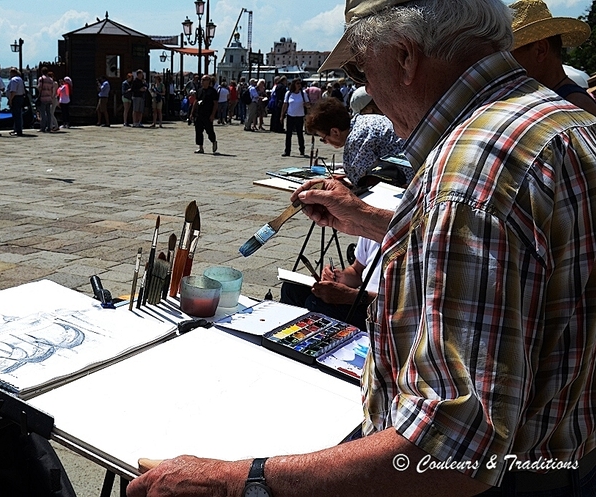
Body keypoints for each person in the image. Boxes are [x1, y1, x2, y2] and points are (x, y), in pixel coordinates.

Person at [127, 1, 596, 496]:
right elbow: (526, 256)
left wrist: (238, 481)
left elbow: (450, 453)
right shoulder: (560, 120)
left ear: (405, 57)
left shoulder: (467, 174)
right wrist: (369, 220)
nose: (364, 88)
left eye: (359, 66)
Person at [509, 0, 596, 115]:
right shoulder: (565, 101)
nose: (507, 63)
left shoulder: (575, 106)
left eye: (511, 55)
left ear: (540, 50)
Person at [280, 78, 309, 157]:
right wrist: (282, 115)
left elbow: (308, 104)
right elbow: (285, 104)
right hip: (290, 115)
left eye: (300, 83)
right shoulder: (288, 93)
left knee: (300, 134)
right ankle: (287, 151)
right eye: (297, 83)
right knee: (288, 134)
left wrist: (306, 105)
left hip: (300, 116)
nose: (299, 85)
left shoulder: (303, 93)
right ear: (294, 84)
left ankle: (302, 150)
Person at [190, 75, 218, 154]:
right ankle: (200, 147)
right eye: (202, 80)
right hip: (199, 113)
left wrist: (213, 114)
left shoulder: (213, 91)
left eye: (204, 80)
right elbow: (196, 101)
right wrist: (192, 113)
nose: (202, 81)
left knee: (209, 130)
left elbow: (215, 103)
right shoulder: (199, 90)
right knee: (198, 130)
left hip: (208, 114)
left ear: (208, 81)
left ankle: (214, 141)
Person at [6, 68, 25, 136]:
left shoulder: (14, 80)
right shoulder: (20, 79)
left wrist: (10, 100)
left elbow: (13, 91)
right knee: (19, 114)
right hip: (20, 97)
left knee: (16, 115)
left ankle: (18, 130)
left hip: (15, 98)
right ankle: (17, 129)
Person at [37, 67, 55, 132]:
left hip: (42, 97)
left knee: (42, 113)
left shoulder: (41, 79)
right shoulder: (51, 79)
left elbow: (39, 87)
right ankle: (49, 127)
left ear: (42, 72)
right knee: (48, 113)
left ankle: (43, 127)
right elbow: (52, 89)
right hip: (49, 98)